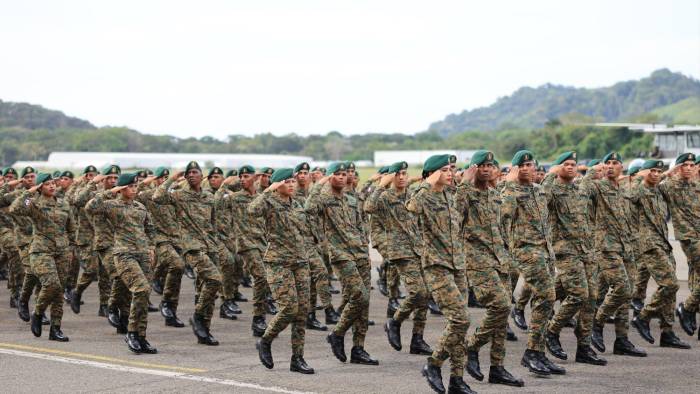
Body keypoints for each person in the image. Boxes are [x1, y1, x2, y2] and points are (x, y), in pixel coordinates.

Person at [407, 154, 474, 394]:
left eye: (452, 169)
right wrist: (427, 181)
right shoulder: (423, 195)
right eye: (445, 169)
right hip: (437, 266)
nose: (451, 173)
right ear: (433, 172)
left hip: (458, 265)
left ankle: (457, 378)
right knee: (460, 319)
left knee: (460, 324)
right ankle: (433, 364)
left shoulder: (450, 195)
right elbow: (410, 209)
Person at [456, 151, 524, 387]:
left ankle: (497, 367)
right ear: (474, 168)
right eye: (481, 165)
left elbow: (504, 222)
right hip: (477, 260)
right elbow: (454, 216)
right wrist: (464, 181)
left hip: (500, 259)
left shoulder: (495, 195)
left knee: (503, 312)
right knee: (501, 305)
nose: (486, 169)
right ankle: (473, 346)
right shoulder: (465, 193)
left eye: (490, 165)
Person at [305, 162, 378, 366]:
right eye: (336, 174)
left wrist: (365, 248)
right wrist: (320, 183)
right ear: (329, 178)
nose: (342, 177)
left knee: (364, 303)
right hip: (340, 254)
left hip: (360, 254)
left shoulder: (350, 199)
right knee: (359, 295)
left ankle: (358, 348)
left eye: (344, 174)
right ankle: (337, 334)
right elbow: (309, 208)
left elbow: (360, 225)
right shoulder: (324, 199)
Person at [501, 150, 564, 376]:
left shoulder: (539, 191)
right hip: (526, 251)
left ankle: (538, 352)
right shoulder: (509, 191)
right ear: (515, 169)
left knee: (545, 300)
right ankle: (531, 353)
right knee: (547, 296)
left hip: (545, 252)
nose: (528, 168)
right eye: (523, 165)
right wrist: (508, 185)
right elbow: (503, 215)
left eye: (531, 164)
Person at [542, 151, 607, 366]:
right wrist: (550, 174)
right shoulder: (552, 191)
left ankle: (584, 347)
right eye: (566, 164)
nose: (571, 167)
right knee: (578, 294)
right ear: (557, 167)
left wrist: (593, 172)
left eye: (573, 164)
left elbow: (589, 183)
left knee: (591, 299)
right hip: (566, 250)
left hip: (587, 251)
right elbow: (541, 196)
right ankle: (552, 331)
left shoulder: (579, 189)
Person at [250, 168, 315, 374]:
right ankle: (266, 340)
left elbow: (304, 233)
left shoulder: (296, 205)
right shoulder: (269, 202)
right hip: (278, 262)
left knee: (302, 311)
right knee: (289, 308)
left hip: (300, 261)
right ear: (277, 185)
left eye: (293, 181)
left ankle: (297, 358)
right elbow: (252, 211)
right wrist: (269, 190)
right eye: (286, 181)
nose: (292, 184)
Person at [364, 161, 433, 356]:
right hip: (400, 251)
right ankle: (395, 321)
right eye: (398, 174)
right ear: (391, 177)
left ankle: (417, 339)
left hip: (419, 249)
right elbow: (368, 207)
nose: (402, 177)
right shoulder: (384, 197)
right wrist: (380, 185)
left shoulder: (412, 195)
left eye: (404, 174)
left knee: (425, 295)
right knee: (418, 292)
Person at [87, 172, 158, 354]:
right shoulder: (111, 206)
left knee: (144, 294)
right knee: (140, 289)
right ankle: (132, 333)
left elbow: (150, 228)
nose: (135, 189)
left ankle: (141, 336)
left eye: (136, 186)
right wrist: (111, 191)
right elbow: (90, 207)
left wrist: (151, 247)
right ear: (122, 188)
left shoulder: (140, 207)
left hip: (143, 255)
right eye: (131, 186)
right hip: (124, 254)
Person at [153, 161, 223, 345]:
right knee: (215, 279)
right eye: (188, 173)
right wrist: (170, 179)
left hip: (211, 246)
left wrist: (216, 244)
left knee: (206, 290)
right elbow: (157, 197)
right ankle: (198, 317)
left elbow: (213, 222)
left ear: (202, 176)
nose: (191, 175)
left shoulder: (209, 197)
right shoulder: (179, 195)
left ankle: (204, 331)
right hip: (192, 247)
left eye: (194, 172)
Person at [584, 151, 647, 357]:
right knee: (621, 287)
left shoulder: (622, 189)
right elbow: (582, 192)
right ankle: (597, 322)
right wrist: (591, 173)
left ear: (622, 168)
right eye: (607, 163)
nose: (611, 166)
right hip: (605, 246)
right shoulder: (597, 187)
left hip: (625, 247)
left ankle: (622, 339)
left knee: (627, 295)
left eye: (615, 163)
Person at [630, 159, 690, 349]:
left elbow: (675, 184)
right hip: (649, 244)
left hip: (663, 242)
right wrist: (641, 175)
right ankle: (644, 316)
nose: (656, 174)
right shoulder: (638, 190)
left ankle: (667, 332)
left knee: (670, 289)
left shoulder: (659, 191)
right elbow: (629, 192)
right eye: (652, 171)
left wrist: (673, 172)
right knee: (671, 284)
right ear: (644, 172)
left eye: (659, 171)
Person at [10, 173, 75, 341]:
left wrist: (72, 248)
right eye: (47, 184)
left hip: (62, 251)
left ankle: (56, 329)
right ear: (40, 187)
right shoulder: (32, 202)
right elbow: (15, 208)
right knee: (51, 284)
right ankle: (38, 313)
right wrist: (29, 192)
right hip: (41, 250)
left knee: (58, 291)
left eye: (53, 183)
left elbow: (71, 227)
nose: (52, 186)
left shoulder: (63, 203)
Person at [291, 162, 339, 331]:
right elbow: (307, 210)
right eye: (300, 173)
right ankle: (328, 309)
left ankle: (309, 316)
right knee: (320, 272)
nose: (303, 175)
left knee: (311, 280)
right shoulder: (291, 193)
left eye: (306, 172)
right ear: (295, 176)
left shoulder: (312, 192)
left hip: (314, 241)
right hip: (299, 243)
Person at [137, 167, 187, 327]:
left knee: (168, 277)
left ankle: (170, 313)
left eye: (166, 177)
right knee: (177, 265)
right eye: (161, 178)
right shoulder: (148, 195)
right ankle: (163, 304)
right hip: (158, 241)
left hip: (176, 241)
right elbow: (132, 193)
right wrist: (147, 182)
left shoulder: (175, 196)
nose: (163, 180)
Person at [230, 165, 272, 337]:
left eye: (246, 176)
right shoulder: (234, 198)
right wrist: (228, 182)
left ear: (254, 178)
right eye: (240, 176)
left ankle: (261, 315)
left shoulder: (262, 198)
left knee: (268, 277)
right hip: (246, 244)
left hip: (262, 243)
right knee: (261, 276)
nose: (242, 179)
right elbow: (216, 199)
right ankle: (258, 319)